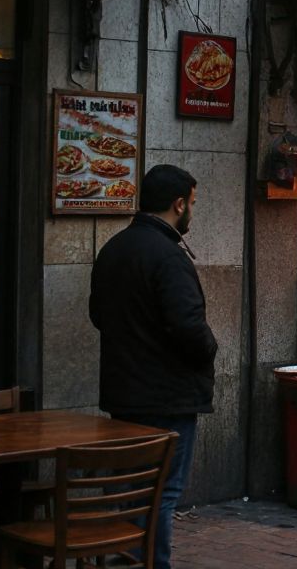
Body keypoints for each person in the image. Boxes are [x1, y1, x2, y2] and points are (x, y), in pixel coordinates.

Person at [90, 165, 217, 569]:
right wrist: (209, 349)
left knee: (131, 489)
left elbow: (98, 314)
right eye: (192, 203)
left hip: (124, 393)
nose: (192, 211)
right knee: (161, 492)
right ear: (179, 204)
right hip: (167, 398)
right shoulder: (168, 256)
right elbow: (188, 327)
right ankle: (148, 563)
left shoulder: (115, 247)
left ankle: (129, 560)